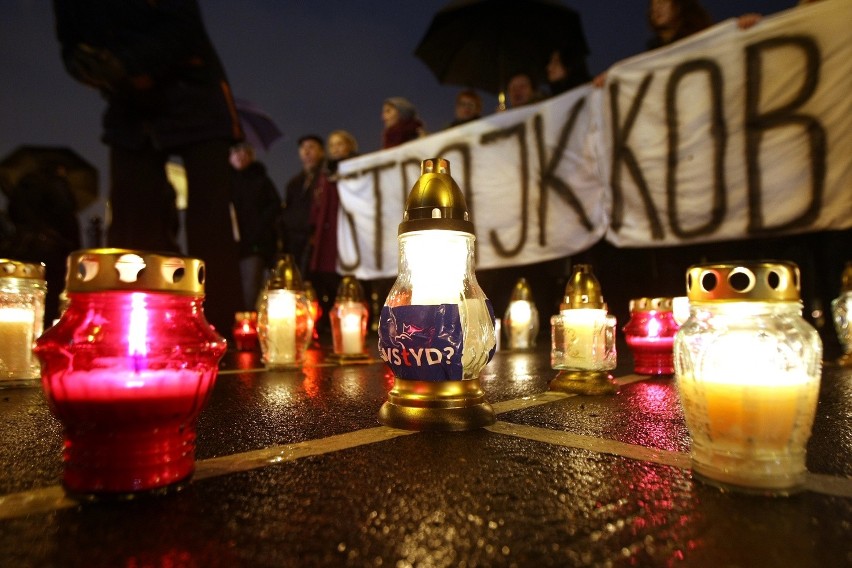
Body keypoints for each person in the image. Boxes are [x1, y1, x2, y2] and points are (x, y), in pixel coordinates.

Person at [52, 0, 244, 338]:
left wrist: (126, 63)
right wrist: (83, 65)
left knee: (209, 218)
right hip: (128, 105)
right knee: (130, 215)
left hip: (192, 88)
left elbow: (183, 29)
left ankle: (220, 325)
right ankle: (133, 323)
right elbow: (70, 40)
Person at [6, 163, 81, 326]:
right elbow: (66, 211)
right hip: (53, 249)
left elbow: (13, 212)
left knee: (23, 296)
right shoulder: (57, 186)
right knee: (51, 295)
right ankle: (43, 333)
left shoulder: (24, 185)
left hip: (25, 247)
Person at [307, 130, 359, 333]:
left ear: (350, 146)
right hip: (326, 233)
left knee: (346, 276)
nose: (336, 148)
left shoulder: (356, 167)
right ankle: (329, 323)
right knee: (324, 276)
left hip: (346, 231)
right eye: (332, 145)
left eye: (340, 144)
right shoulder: (325, 173)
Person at [229, 142, 280, 310]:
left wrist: (258, 229)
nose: (241, 155)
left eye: (246, 151)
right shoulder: (223, 182)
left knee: (250, 289)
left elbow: (274, 207)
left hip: (254, 246)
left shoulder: (261, 180)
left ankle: (248, 327)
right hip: (229, 246)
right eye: (237, 151)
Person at [280, 135, 325, 276]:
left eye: (311, 147)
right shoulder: (294, 183)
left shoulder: (326, 179)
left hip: (317, 239)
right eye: (303, 148)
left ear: (321, 152)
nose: (307, 152)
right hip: (294, 240)